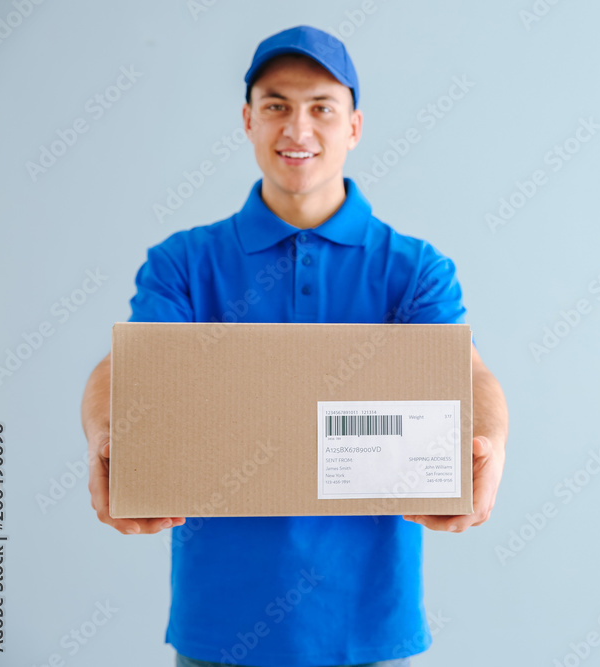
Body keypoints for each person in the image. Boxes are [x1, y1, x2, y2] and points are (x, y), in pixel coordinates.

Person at [80, 25, 508, 667]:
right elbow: (134, 367)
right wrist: (105, 441)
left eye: (321, 108)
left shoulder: (413, 269)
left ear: (354, 126)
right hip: (220, 626)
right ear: (248, 120)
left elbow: (464, 372)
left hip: (368, 626)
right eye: (276, 105)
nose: (297, 129)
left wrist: (490, 447)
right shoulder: (185, 264)